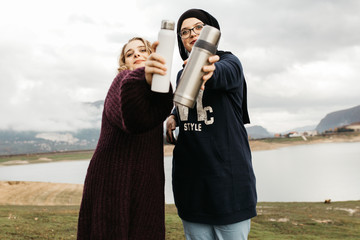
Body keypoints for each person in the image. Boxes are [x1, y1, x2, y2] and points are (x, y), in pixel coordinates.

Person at [166, 9, 257, 240]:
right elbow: (187, 108)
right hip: (191, 190)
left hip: (229, 189)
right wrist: (174, 116)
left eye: (198, 27)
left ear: (211, 31)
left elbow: (221, 73)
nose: (191, 34)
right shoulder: (180, 75)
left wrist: (208, 69)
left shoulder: (230, 63)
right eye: (184, 32)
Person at [77, 37, 173, 239]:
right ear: (125, 64)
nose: (136, 55)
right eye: (130, 54)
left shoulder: (155, 91)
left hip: (146, 180)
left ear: (153, 55)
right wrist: (143, 75)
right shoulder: (122, 82)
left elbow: (164, 105)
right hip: (112, 180)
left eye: (142, 50)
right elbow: (133, 120)